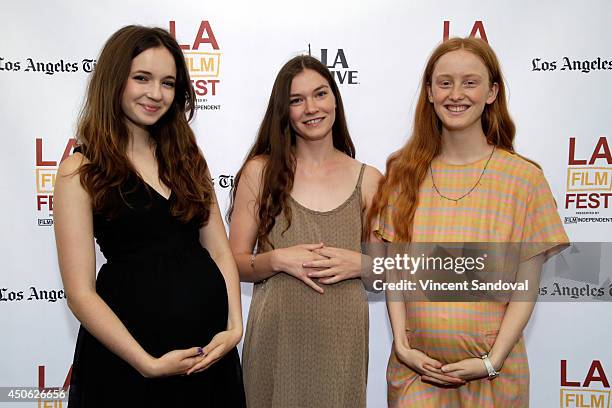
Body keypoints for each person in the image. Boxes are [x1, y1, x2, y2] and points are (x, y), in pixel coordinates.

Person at [369, 37, 568, 407]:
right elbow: (394, 272)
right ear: (429, 92)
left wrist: (491, 362)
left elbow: (526, 290)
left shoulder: (524, 179)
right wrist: (401, 345)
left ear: (492, 92)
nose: (455, 94)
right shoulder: (402, 174)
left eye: (470, 82)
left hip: (496, 379)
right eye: (444, 82)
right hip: (416, 376)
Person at [54, 25, 245, 407]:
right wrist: (147, 364)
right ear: (114, 79)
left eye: (168, 83)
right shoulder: (80, 170)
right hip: (128, 365)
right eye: (142, 78)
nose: (156, 94)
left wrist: (235, 328)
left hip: (208, 357)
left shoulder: (186, 157)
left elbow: (220, 251)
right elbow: (80, 293)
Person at [227, 55, 382, 408]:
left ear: (335, 100)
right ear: (284, 110)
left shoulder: (369, 179)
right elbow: (233, 262)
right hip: (276, 340)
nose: (311, 108)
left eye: (320, 94)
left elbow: (381, 275)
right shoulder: (260, 172)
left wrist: (360, 264)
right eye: (296, 100)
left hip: (341, 342)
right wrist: (277, 259)